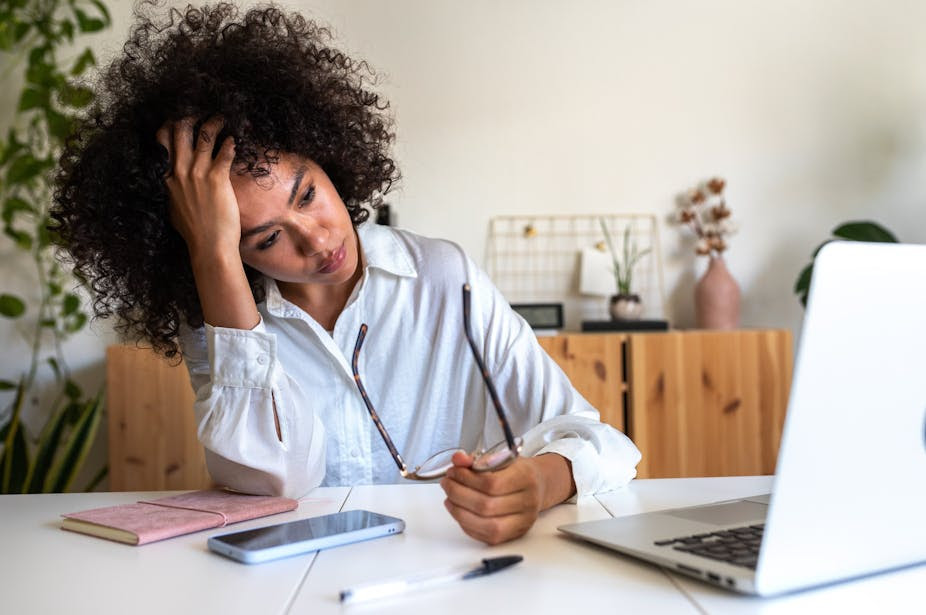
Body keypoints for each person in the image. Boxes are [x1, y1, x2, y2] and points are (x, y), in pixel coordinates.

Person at [51, 2, 641, 545]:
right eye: (266, 237)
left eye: (307, 193)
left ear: (327, 154)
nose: (318, 238)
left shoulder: (441, 277)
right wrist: (212, 254)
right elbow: (278, 480)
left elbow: (602, 444)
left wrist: (540, 482)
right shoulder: (222, 315)